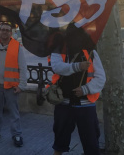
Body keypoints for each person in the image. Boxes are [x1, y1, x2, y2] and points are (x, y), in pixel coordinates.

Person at [49, 24, 106, 155]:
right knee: (59, 142)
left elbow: (101, 78)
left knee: (91, 143)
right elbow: (57, 67)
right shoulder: (58, 50)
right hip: (64, 103)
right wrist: (78, 66)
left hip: (85, 105)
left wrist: (85, 89)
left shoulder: (91, 52)